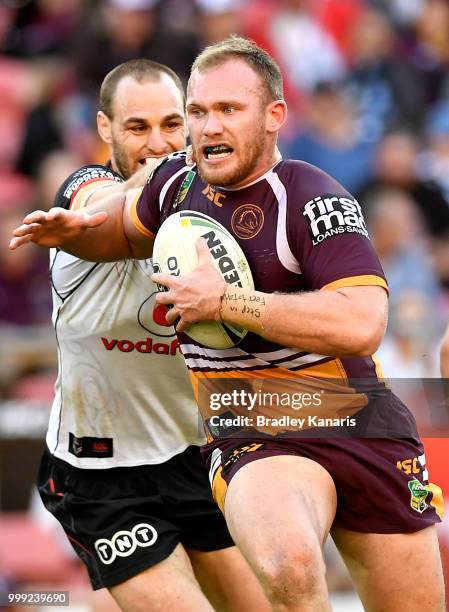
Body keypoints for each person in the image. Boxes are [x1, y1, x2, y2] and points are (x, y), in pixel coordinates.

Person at [9, 38, 446, 611]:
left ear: (274, 117)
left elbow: (363, 323)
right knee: (287, 562)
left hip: (351, 419)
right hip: (229, 433)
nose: (197, 130)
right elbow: (108, 216)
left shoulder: (313, 197)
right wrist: (73, 231)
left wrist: (228, 302)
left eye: (223, 112)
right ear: (104, 129)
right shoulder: (161, 186)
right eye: (198, 113)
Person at [24, 59, 269, 612]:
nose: (157, 143)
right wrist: (171, 175)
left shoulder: (228, 210)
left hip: (195, 454)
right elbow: (96, 206)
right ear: (105, 128)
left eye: (171, 124)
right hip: (101, 473)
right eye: (137, 127)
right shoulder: (90, 195)